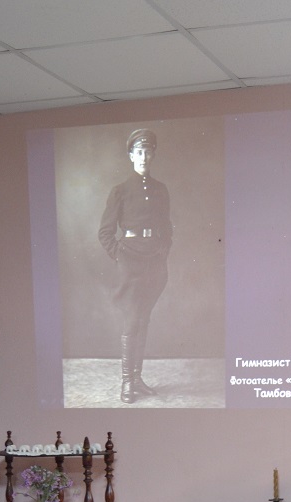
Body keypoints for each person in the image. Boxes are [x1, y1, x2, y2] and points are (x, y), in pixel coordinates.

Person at [98, 127, 174, 404]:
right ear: (131, 155)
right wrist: (121, 257)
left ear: (153, 155)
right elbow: (105, 233)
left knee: (144, 320)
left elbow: (167, 228)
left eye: (147, 152)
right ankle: (127, 382)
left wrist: (162, 252)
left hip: (154, 262)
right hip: (130, 263)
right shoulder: (120, 191)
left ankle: (138, 378)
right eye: (138, 152)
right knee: (132, 320)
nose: (143, 157)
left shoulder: (160, 190)